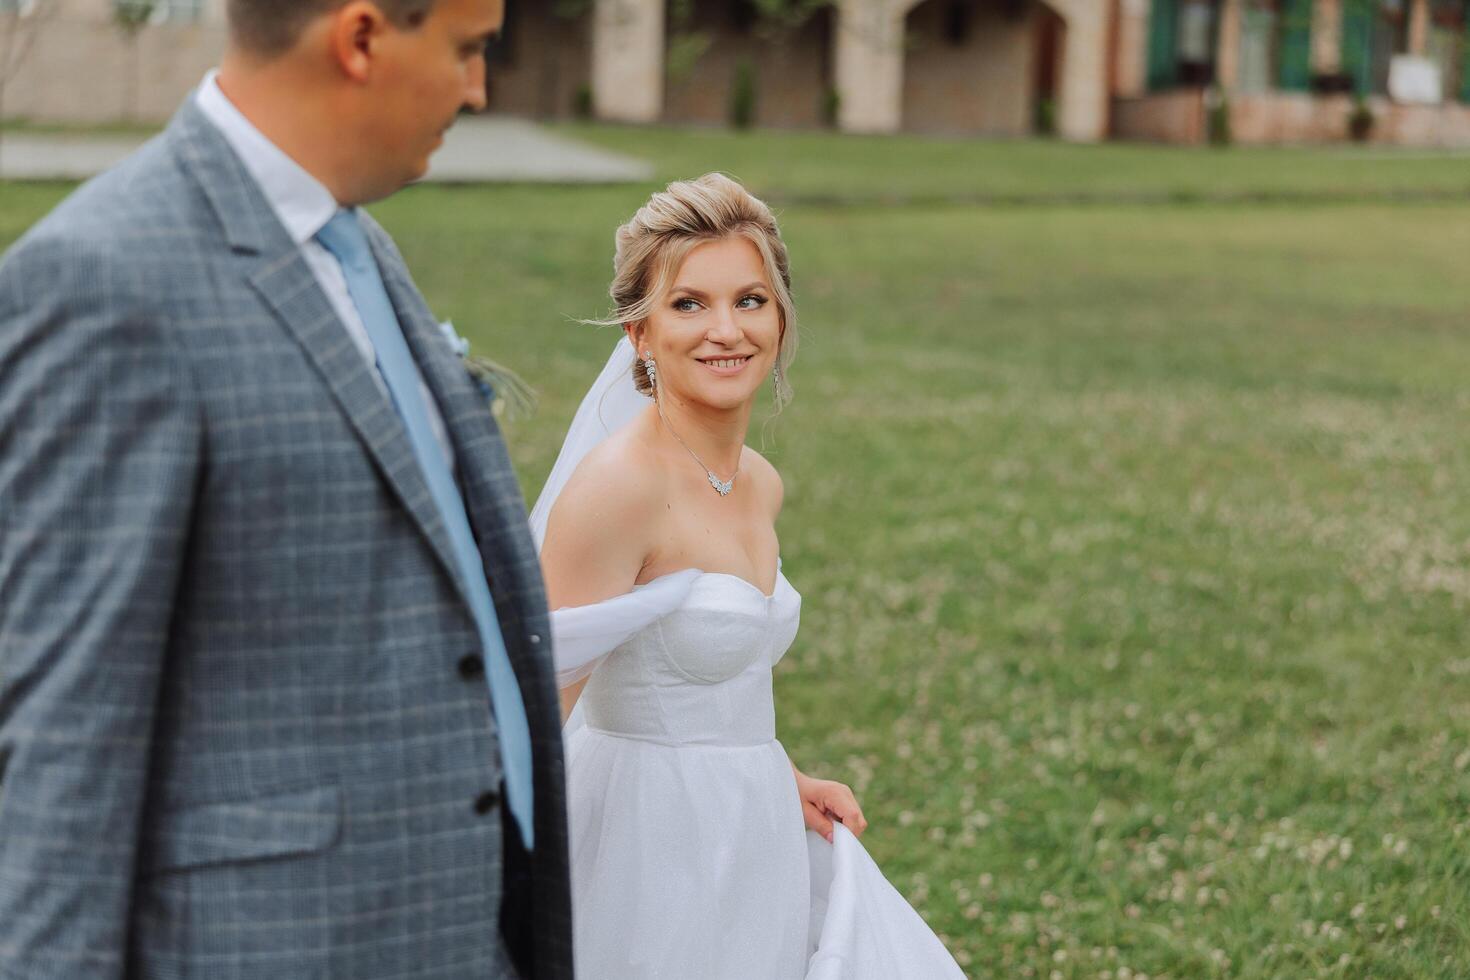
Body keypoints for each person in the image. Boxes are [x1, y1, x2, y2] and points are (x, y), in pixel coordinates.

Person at [0, 1, 571, 977]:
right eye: (470, 50)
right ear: (359, 39)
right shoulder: (103, 279)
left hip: (461, 928)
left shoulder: (358, 245)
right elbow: (59, 751)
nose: (480, 89)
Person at [533, 173, 965, 978]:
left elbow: (694, 674)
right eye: (688, 304)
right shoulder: (618, 490)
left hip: (753, 827)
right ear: (638, 332)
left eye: (750, 300)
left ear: (781, 316)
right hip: (648, 847)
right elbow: (536, 708)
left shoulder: (759, 482)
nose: (724, 330)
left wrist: (780, 774)